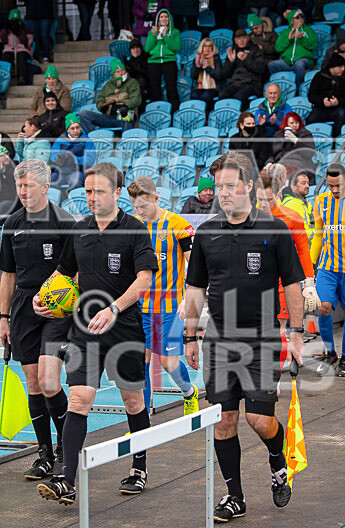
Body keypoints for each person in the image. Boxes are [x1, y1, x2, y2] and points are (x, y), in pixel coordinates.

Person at [183, 152, 306, 522]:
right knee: (223, 421)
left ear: (249, 186)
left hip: (262, 339)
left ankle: (277, 458)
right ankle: (234, 496)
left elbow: (294, 285)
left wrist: (297, 334)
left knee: (260, 421)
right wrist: (190, 335)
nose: (223, 192)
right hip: (219, 340)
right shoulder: (207, 232)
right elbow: (194, 289)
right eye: (219, 186)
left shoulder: (274, 229)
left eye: (231, 185)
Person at [34, 162, 158, 504]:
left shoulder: (134, 229)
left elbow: (145, 279)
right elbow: (63, 272)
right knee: (79, 399)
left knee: (132, 401)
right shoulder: (80, 229)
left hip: (125, 328)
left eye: (99, 191)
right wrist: (42, 296)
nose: (91, 197)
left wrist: (114, 308)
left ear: (117, 193)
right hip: (85, 329)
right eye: (87, 191)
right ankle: (67, 480)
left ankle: (139, 468)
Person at [0, 158, 77, 481]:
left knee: (48, 381)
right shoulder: (12, 223)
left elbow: (79, 272)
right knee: (32, 382)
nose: (23, 191)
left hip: (58, 311)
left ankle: (66, 451)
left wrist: (66, 303)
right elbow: (8, 276)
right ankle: (44, 454)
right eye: (19, 185)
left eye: (29, 185)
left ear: (46, 187)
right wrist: (3, 318)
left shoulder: (64, 222)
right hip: (23, 309)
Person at [126, 176, 200, 413]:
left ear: (156, 199)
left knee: (167, 362)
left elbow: (195, 266)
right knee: (141, 362)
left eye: (143, 206)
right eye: (135, 207)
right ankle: (143, 417)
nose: (140, 211)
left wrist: (189, 297)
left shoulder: (177, 225)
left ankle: (189, 393)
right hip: (140, 307)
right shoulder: (134, 226)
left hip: (169, 307)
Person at [310, 163, 345, 377]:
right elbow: (317, 235)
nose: (334, 190)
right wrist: (309, 264)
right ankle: (330, 353)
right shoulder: (320, 201)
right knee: (323, 307)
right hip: (327, 267)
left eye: (338, 185)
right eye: (330, 185)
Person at [255, 169, 317, 334]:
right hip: (256, 280)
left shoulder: (291, 217)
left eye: (268, 199)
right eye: (260, 199)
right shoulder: (250, 217)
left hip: (284, 280)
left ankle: (281, 358)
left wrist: (309, 282)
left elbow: (303, 250)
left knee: (280, 329)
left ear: (277, 195)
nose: (263, 204)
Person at [79, 59, 141, 133]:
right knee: (84, 114)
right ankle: (90, 140)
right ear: (113, 74)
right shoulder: (107, 85)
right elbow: (100, 99)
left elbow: (136, 98)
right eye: (118, 71)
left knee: (127, 117)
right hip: (109, 116)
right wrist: (101, 107)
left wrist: (126, 106)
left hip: (124, 115)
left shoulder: (132, 82)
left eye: (122, 70)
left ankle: (126, 142)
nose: (121, 73)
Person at [219, 29, 266, 109]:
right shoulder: (233, 52)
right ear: (235, 41)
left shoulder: (256, 50)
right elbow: (224, 74)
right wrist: (231, 62)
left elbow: (260, 69)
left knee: (239, 97)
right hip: (235, 83)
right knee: (222, 94)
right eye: (238, 39)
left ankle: (243, 116)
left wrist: (246, 60)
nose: (241, 41)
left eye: (243, 38)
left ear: (247, 38)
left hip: (251, 84)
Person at [145, 9, 180, 112]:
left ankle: (174, 114)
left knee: (171, 89)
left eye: (166, 16)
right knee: (155, 90)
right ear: (158, 20)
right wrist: (154, 35)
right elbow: (147, 48)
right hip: (154, 62)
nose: (164, 19)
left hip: (169, 61)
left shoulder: (175, 32)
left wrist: (165, 36)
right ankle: (156, 113)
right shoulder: (152, 32)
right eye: (161, 17)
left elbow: (176, 47)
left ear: (169, 19)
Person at [269, 9, 315, 86]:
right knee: (272, 65)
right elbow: (278, 48)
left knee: (299, 64)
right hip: (288, 62)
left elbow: (313, 45)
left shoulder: (309, 30)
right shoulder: (285, 32)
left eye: (301, 17)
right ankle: (279, 87)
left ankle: (298, 88)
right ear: (291, 20)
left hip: (304, 61)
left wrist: (302, 38)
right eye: (297, 17)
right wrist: (288, 39)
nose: (300, 19)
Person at [307, 53, 345, 132]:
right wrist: (322, 101)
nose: (343, 69)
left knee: (341, 114)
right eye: (340, 67)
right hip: (321, 108)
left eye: (344, 66)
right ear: (332, 68)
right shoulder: (319, 76)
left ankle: (336, 141)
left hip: (338, 108)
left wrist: (338, 102)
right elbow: (311, 96)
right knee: (310, 119)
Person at [50, 113, 95, 190]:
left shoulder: (87, 140)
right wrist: (58, 158)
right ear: (67, 130)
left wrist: (73, 159)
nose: (75, 131)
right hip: (60, 172)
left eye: (77, 127)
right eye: (72, 128)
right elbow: (53, 155)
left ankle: (74, 201)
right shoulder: (60, 139)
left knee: (76, 181)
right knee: (51, 181)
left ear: (81, 128)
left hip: (77, 172)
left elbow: (90, 159)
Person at [0, 8, 36, 85]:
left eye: (16, 19)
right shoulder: (7, 28)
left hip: (22, 49)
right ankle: (6, 77)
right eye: (13, 19)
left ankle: (21, 77)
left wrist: (19, 33)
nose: (14, 21)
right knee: (6, 56)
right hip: (9, 49)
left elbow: (29, 41)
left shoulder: (24, 28)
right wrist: (5, 29)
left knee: (20, 56)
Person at [279, 165, 314, 243]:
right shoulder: (291, 204)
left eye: (308, 183)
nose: (307, 186)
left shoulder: (305, 203)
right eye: (303, 183)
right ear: (293, 186)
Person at [189, 38, 223, 111]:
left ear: (212, 48)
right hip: (200, 87)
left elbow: (219, 76)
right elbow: (193, 76)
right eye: (205, 46)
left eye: (209, 46)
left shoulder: (216, 58)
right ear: (202, 47)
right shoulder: (198, 58)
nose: (207, 48)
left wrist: (207, 67)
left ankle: (207, 115)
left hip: (213, 87)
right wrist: (198, 66)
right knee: (194, 95)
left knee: (206, 96)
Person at [125, 39, 149, 114]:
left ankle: (141, 119)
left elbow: (146, 75)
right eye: (133, 48)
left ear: (141, 48)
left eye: (137, 47)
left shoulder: (147, 59)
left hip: (146, 88)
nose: (135, 50)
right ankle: (127, 121)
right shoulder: (130, 62)